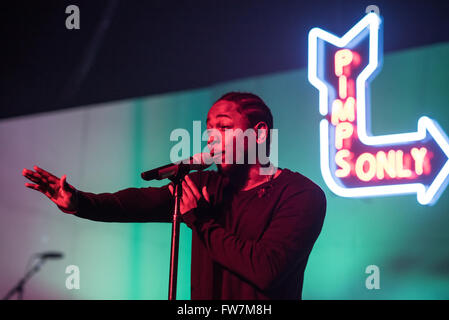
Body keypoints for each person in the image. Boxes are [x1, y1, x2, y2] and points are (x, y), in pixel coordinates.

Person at [22, 92, 326, 300]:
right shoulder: (206, 183)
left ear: (258, 134)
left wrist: (199, 220)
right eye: (208, 128)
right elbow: (139, 203)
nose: (210, 136)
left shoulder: (300, 195)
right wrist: (81, 202)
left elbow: (266, 270)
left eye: (224, 127)